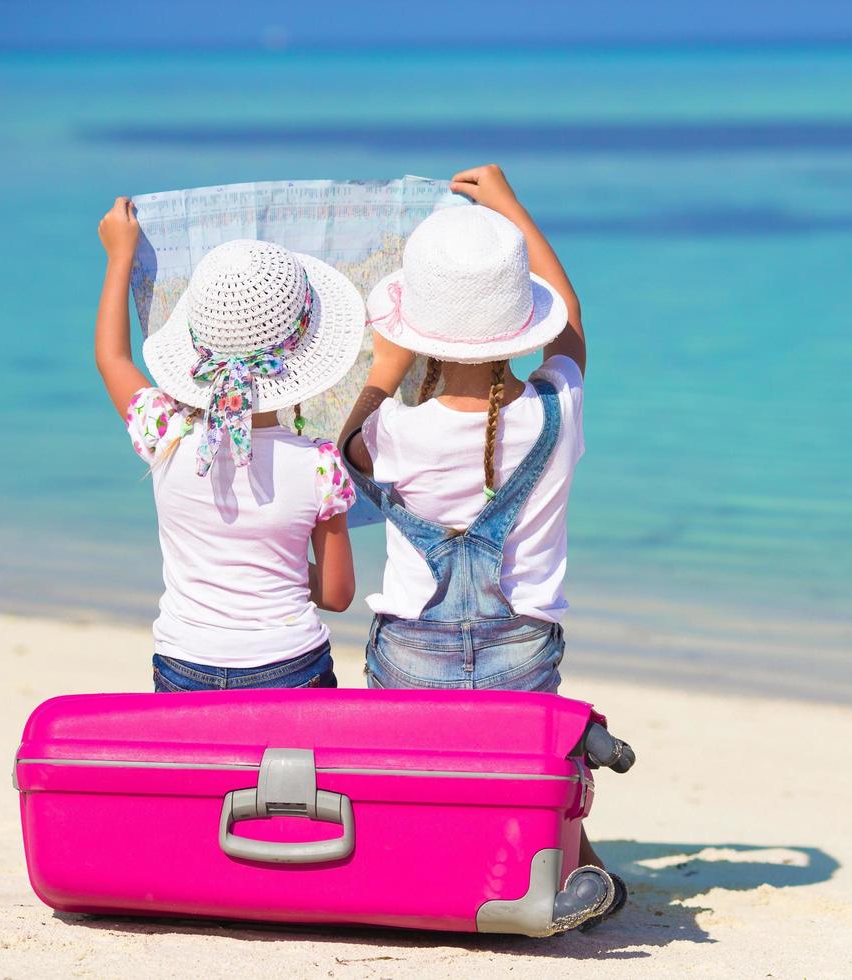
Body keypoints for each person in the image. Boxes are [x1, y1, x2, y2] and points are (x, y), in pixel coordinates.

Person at [338, 165, 624, 928]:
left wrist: (384, 367)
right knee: (521, 770)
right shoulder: (558, 411)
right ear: (518, 323)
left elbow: (346, 441)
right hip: (521, 653)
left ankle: (429, 868)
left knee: (418, 782)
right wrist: (510, 208)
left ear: (411, 331)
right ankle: (566, 861)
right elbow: (572, 330)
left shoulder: (387, 431)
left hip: (411, 655)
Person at [94, 199, 362, 692]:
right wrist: (273, 564)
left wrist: (119, 258)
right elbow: (338, 593)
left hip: (183, 663)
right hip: (291, 667)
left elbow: (111, 358)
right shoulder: (320, 465)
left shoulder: (166, 433)